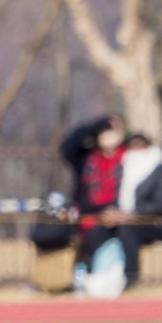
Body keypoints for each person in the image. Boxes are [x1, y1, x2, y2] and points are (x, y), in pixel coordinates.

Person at [79, 134, 162, 288]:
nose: (135, 152)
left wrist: (132, 215)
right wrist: (110, 212)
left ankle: (130, 276)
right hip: (123, 218)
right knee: (97, 229)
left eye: (139, 147)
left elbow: (161, 205)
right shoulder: (122, 170)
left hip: (155, 223)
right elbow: (114, 197)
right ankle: (94, 273)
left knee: (127, 230)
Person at [58, 115, 127, 268]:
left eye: (113, 130)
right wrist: (96, 125)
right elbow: (66, 148)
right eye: (106, 131)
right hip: (89, 215)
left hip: (119, 215)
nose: (110, 135)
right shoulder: (87, 158)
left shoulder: (129, 157)